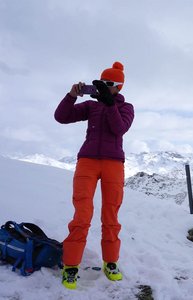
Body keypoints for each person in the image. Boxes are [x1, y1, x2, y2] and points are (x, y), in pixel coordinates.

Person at [54, 61, 134, 289]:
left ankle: (110, 262)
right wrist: (71, 96)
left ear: (118, 87)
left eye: (109, 84)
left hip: (113, 164)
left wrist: (109, 105)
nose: (104, 87)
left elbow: (119, 129)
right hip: (87, 161)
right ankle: (71, 265)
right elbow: (61, 116)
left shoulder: (126, 108)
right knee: (82, 213)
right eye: (101, 83)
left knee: (111, 214)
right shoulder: (91, 106)